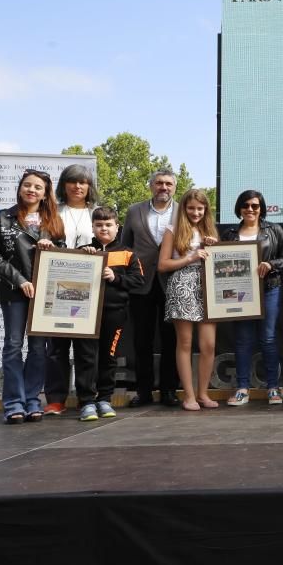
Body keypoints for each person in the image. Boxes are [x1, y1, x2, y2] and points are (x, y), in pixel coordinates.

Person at [0, 169, 66, 424]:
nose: (32, 190)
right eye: (27, 185)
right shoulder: (2, 218)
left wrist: (53, 247)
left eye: (38, 187)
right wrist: (20, 281)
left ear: (45, 194)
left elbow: (63, 252)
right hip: (13, 290)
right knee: (13, 346)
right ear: (20, 188)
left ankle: (32, 400)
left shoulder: (53, 220)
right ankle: (13, 403)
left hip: (45, 292)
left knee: (39, 349)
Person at [222, 190, 283, 407]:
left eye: (255, 205)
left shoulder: (274, 229)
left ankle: (272, 387)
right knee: (243, 340)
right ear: (239, 208)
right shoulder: (230, 234)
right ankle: (242, 388)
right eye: (245, 205)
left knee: (268, 339)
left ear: (261, 207)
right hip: (239, 293)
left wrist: (271, 265)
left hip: (269, 288)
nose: (250, 209)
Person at [77, 206, 145, 420]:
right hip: (84, 314)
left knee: (109, 356)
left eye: (108, 225)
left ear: (117, 227)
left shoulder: (128, 254)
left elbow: (138, 281)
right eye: (99, 225)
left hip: (115, 313)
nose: (103, 228)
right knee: (86, 357)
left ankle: (104, 399)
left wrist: (115, 277)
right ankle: (86, 402)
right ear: (93, 227)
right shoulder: (83, 250)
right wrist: (84, 256)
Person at [43, 164, 100, 416]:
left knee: (86, 348)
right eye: (73, 182)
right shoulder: (53, 212)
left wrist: (95, 249)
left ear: (90, 187)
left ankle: (87, 398)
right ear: (64, 185)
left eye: (83, 182)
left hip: (90, 287)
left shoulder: (96, 213)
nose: (78, 186)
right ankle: (56, 399)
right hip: (56, 286)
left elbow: (107, 243)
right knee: (56, 348)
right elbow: (43, 242)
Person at [121, 168, 180, 407]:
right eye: (158, 183)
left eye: (168, 183)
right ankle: (143, 392)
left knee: (171, 340)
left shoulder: (183, 211)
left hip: (173, 283)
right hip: (140, 284)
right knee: (141, 341)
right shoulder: (134, 210)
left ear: (174, 187)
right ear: (151, 186)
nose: (163, 187)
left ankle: (169, 391)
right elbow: (125, 246)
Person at [158, 189, 220, 411]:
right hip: (182, 284)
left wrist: (213, 248)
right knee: (184, 343)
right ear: (184, 208)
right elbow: (163, 265)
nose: (196, 212)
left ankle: (203, 393)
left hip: (208, 286)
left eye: (200, 208)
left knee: (208, 344)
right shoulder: (172, 231)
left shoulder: (211, 231)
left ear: (206, 210)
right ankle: (189, 396)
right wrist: (191, 257)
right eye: (191, 208)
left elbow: (221, 262)